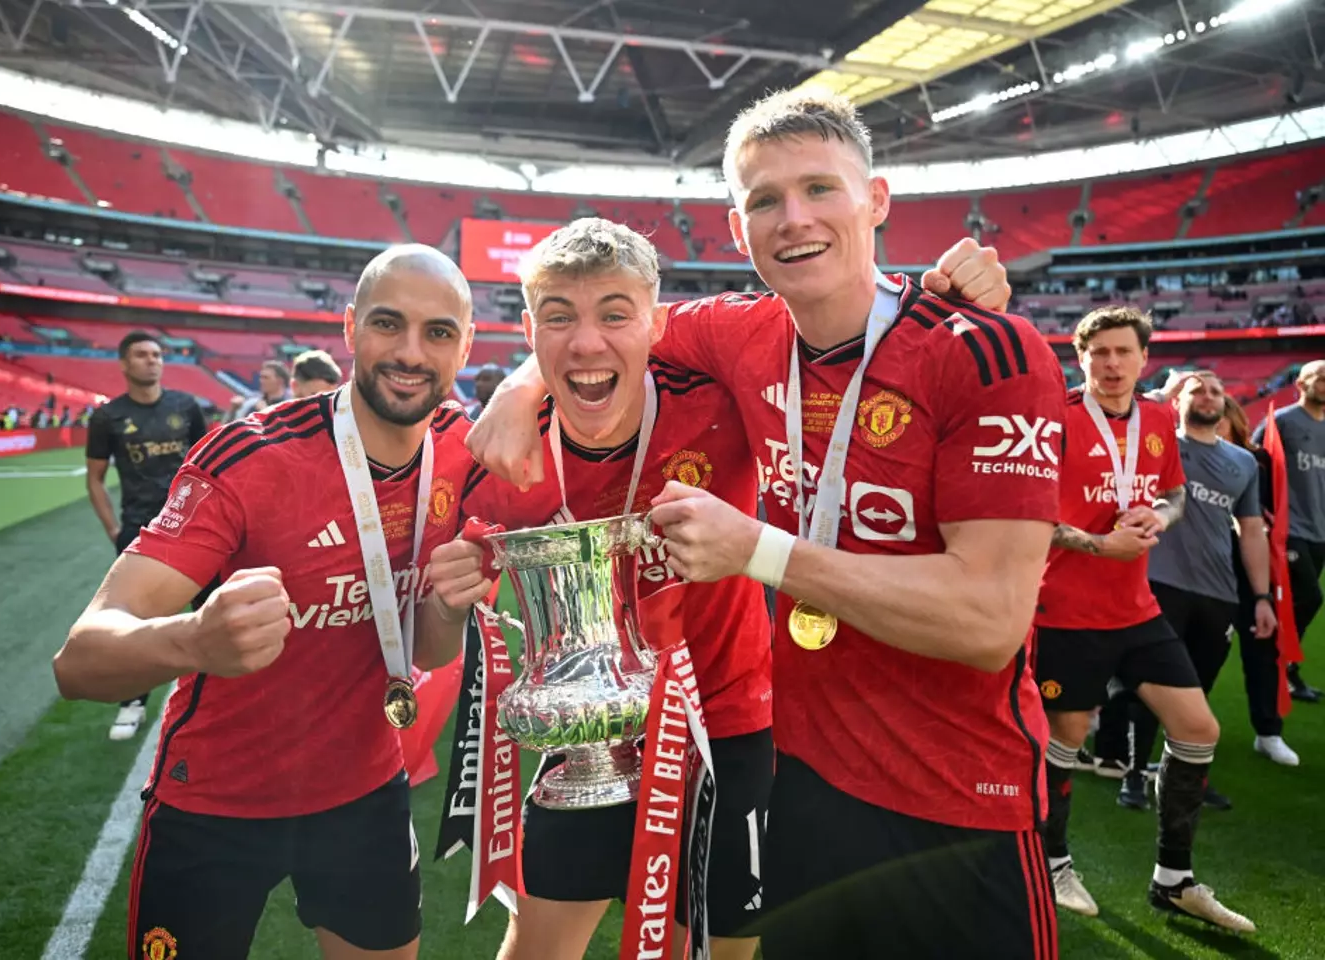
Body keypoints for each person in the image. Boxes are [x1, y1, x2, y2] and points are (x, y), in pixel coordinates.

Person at [470, 89, 1060, 959]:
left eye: (821, 188)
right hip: (801, 785)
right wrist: (516, 388)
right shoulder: (736, 334)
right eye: (763, 201)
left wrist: (760, 551)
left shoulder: (982, 350)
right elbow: (603, 328)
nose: (794, 219)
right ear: (738, 233)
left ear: (877, 202)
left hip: (954, 796)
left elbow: (989, 619)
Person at [56, 245, 484, 960]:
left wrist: (445, 609)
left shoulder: (464, 452)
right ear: (348, 328)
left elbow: (428, 650)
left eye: (438, 332)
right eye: (388, 324)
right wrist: (192, 640)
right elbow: (78, 660)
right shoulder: (250, 459)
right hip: (216, 804)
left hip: (367, 790)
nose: (411, 353)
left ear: (466, 345)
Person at [432, 218, 776, 960]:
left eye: (615, 314)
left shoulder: (717, 395)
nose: (587, 343)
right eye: (559, 318)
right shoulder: (500, 456)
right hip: (585, 739)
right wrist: (450, 591)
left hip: (726, 728)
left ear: (654, 322)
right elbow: (437, 637)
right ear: (529, 328)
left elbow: (826, 316)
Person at [1035, 307, 1253, 931]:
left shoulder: (1160, 417)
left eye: (1122, 352)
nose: (1110, 364)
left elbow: (1175, 493)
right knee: (1068, 733)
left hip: (1136, 608)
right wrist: (1101, 545)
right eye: (1098, 352)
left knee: (1198, 728)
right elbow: (1029, 514)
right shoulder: (1054, 418)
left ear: (1143, 359)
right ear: (1079, 358)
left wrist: (1158, 516)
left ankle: (1174, 880)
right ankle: (1052, 861)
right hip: (1065, 608)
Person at [1094, 372, 1276, 811]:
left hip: (1218, 592)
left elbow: (1251, 530)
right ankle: (1134, 778)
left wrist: (1263, 596)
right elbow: (1120, 413)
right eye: (1198, 389)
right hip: (1158, 582)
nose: (1209, 396)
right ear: (1179, 400)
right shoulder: (1158, 442)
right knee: (1148, 683)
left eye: (1217, 390)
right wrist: (1164, 391)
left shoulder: (1244, 462)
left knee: (1197, 688)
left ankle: (1185, 779)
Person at [85, 331, 208, 741]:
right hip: (140, 529)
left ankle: (223, 696)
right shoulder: (107, 417)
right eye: (141, 355)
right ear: (124, 364)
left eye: (156, 354)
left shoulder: (186, 407)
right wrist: (113, 529)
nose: (151, 361)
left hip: (194, 526)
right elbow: (96, 479)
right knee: (134, 620)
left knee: (211, 608)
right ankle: (133, 702)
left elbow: (207, 465)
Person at [1219, 394, 1301, 765]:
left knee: (1263, 652)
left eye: (1220, 418)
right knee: (1192, 654)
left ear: (1234, 421)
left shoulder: (1257, 462)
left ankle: (1268, 732)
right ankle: (1172, 731)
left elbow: (1264, 519)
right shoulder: (1179, 454)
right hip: (1198, 568)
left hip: (1249, 565)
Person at [1251, 359, 1325, 703]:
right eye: (1319, 378)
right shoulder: (1281, 422)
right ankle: (1280, 662)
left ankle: (1279, 660)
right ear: (1300, 384)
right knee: (1310, 596)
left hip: (1319, 530)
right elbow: (1253, 463)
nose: (1324, 383)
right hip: (1288, 527)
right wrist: (1259, 511)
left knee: (1303, 600)